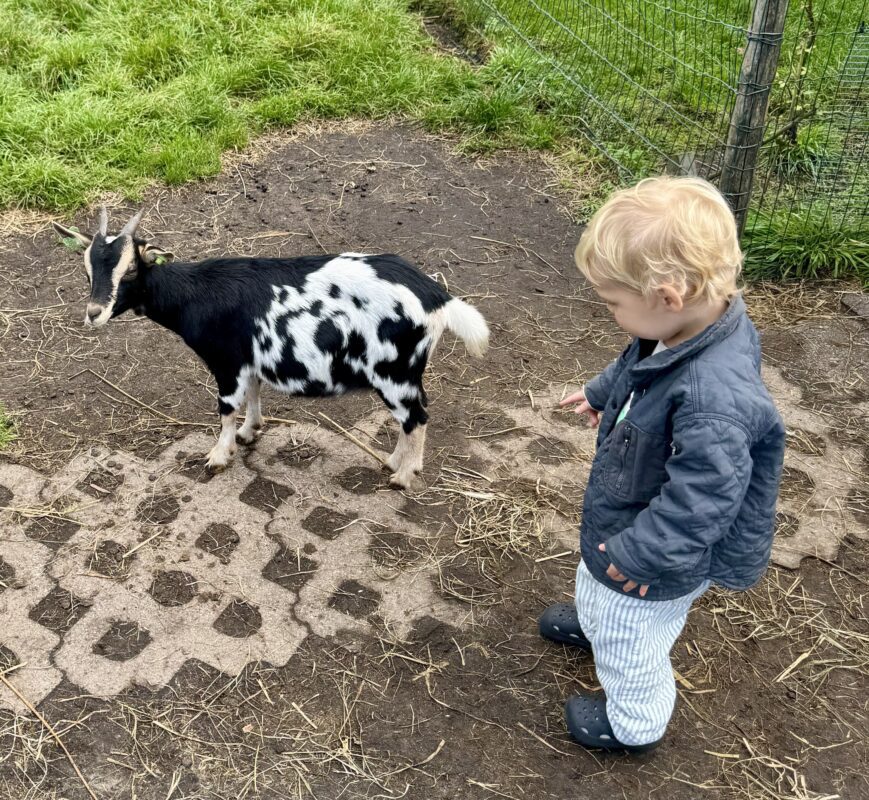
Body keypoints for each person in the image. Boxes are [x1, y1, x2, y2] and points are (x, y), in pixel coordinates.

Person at [543, 176, 785, 752]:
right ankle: (597, 620)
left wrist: (640, 559)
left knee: (634, 637)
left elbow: (702, 502)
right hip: (629, 513)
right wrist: (605, 391)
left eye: (613, 304)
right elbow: (641, 356)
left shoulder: (714, 403)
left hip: (656, 553)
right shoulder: (695, 324)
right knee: (597, 577)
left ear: (667, 295)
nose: (611, 315)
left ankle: (634, 722)